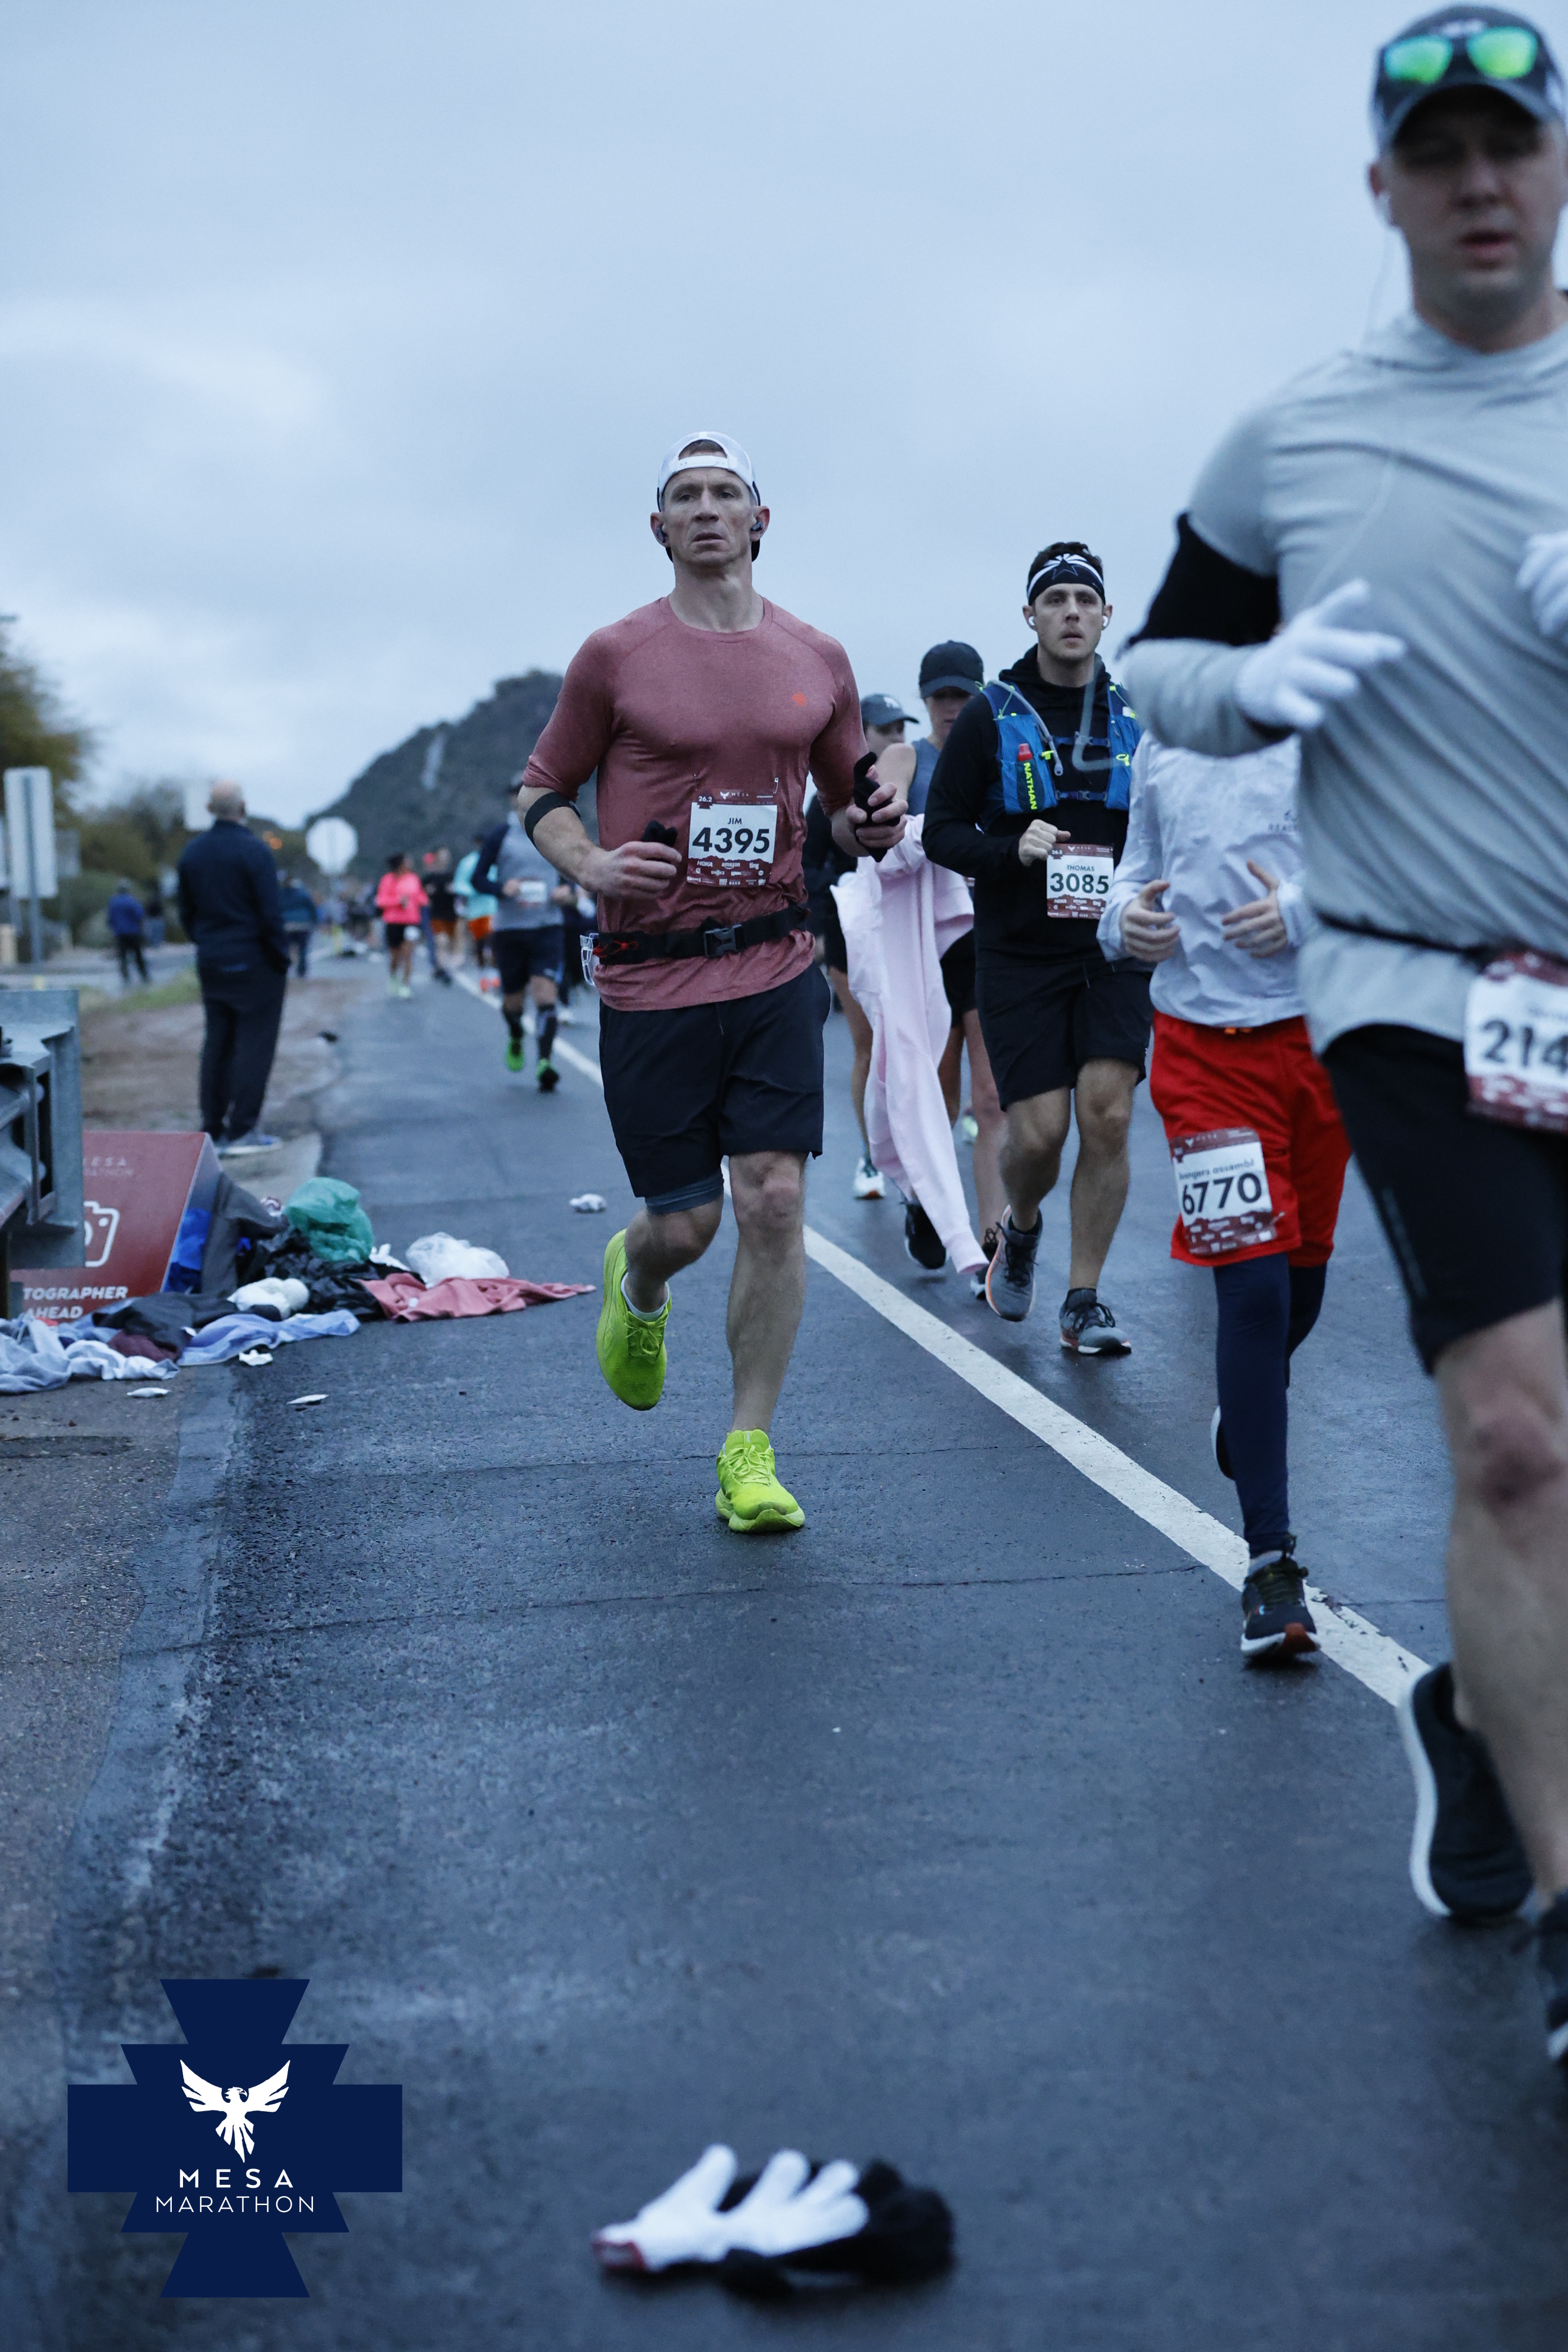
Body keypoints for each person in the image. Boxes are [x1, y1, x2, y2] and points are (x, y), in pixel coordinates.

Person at [1119, 8, 1568, 2058]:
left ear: (1554, 168)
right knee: (1516, 1434)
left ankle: (1481, 1705)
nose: (1478, 183)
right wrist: (1255, 681)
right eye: (1436, 151)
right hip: (1406, 982)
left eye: (1510, 144)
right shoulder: (1295, 436)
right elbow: (1160, 662)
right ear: (1380, 186)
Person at [517, 430, 904, 1532]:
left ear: (758, 520)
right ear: (659, 527)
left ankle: (749, 1448)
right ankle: (637, 1277)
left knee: (774, 1199)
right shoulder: (614, 655)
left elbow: (845, 809)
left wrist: (870, 821)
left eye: (724, 493)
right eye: (684, 496)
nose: (704, 509)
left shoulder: (817, 655)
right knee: (685, 1225)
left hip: (777, 960)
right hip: (651, 976)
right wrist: (592, 864)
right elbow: (541, 790)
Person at [1102, 736, 1351, 1658]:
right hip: (1204, 1056)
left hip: (1322, 1037)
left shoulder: (1326, 719)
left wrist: (1300, 908)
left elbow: (1391, 858)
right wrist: (1122, 922)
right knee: (1253, 1293)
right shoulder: (1163, 746)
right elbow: (1133, 874)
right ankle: (1271, 1566)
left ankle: (1246, 1405)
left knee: (1302, 1283)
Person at [923, 544, 1148, 1350]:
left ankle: (1084, 1299)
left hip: (1114, 949)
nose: (1071, 612)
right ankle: (1020, 1226)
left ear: (1106, 614)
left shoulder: (1136, 714)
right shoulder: (990, 713)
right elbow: (942, 831)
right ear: (1030, 615)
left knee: (1108, 1113)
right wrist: (1008, 850)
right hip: (1019, 953)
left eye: (1085, 599)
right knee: (1040, 1135)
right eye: (1055, 600)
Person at [894, 641, 1008, 1259]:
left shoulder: (1004, 756)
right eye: (940, 696)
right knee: (938, 1096)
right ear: (925, 698)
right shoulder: (909, 759)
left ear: (980, 696)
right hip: (926, 950)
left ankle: (992, 1244)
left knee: (991, 1101)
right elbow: (876, 821)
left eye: (962, 695)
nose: (951, 707)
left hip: (989, 942)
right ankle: (925, 1202)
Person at [802, 690, 919, 1201]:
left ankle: (915, 1153)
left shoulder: (918, 781)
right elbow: (807, 868)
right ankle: (871, 1156)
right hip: (852, 937)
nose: (896, 738)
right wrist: (836, 909)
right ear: (861, 735)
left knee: (916, 1047)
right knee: (870, 1048)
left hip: (907, 932)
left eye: (901, 728)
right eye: (885, 729)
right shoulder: (831, 795)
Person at [176, 781, 288, 1153]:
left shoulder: (193, 853)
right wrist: (280, 958)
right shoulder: (255, 851)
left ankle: (212, 1127)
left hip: (212, 960)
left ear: (209, 809)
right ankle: (243, 1130)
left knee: (217, 1044)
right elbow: (270, 913)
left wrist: (206, 942)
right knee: (255, 1045)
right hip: (255, 960)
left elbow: (186, 912)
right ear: (243, 807)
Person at [469, 789, 574, 1091]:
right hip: (510, 931)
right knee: (513, 1005)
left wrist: (567, 892)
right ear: (514, 800)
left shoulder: (556, 834)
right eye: (520, 794)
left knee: (545, 997)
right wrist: (502, 888)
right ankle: (516, 1033)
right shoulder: (501, 836)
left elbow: (574, 875)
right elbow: (477, 879)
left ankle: (545, 1063)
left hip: (547, 927)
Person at [374, 854, 427, 997]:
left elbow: (420, 896)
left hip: (412, 921)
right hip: (394, 922)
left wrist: (425, 900)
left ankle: (406, 984)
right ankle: (394, 977)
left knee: (408, 953)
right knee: (396, 956)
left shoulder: (414, 878)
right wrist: (398, 901)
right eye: (407, 861)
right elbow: (381, 900)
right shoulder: (388, 879)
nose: (410, 863)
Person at [453, 832, 498, 974]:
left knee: (494, 942)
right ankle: (482, 973)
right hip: (476, 911)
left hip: (493, 909)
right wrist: (477, 890)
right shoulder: (468, 862)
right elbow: (459, 884)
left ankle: (495, 974)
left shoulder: (495, 859)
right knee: (479, 944)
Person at [422, 851, 458, 985]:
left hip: (451, 915)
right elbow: (420, 894)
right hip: (436, 915)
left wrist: (454, 891)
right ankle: (444, 970)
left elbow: (460, 892)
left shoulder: (452, 877)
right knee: (441, 941)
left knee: (449, 944)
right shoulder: (429, 879)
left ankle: (443, 967)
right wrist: (427, 895)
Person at [106, 881, 149, 985]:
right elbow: (140, 915)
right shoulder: (132, 901)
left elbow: (110, 919)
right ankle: (144, 976)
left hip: (120, 934)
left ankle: (126, 978)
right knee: (138, 955)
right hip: (133, 932)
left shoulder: (113, 902)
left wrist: (115, 928)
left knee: (123, 956)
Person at [278, 873, 318, 977]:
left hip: (287, 925)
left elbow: (277, 909)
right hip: (303, 925)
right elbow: (312, 908)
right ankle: (302, 972)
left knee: (286, 949)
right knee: (303, 950)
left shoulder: (281, 894)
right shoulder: (303, 893)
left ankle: (285, 969)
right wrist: (314, 921)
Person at [142, 883, 165, 950]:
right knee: (156, 932)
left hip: (154, 918)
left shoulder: (152, 901)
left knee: (154, 932)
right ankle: (156, 944)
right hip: (156, 918)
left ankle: (155, 944)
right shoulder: (158, 901)